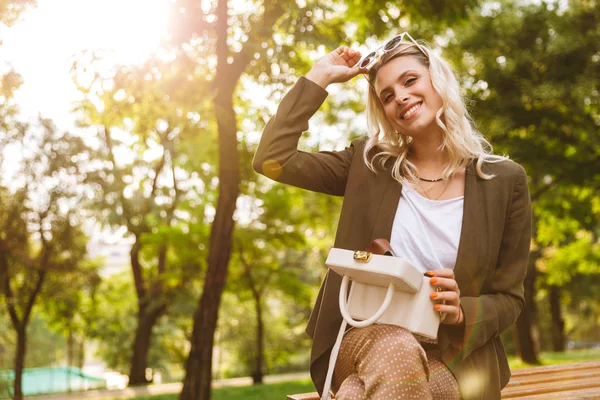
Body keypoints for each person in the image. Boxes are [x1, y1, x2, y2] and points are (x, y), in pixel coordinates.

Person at [252, 32, 532, 400]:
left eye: (410, 80)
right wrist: (319, 77)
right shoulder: (367, 165)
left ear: (438, 81)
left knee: (360, 393)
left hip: (451, 354)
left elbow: (509, 299)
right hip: (362, 337)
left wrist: (461, 309)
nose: (400, 96)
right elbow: (273, 159)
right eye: (387, 95)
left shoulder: (504, 181)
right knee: (396, 348)